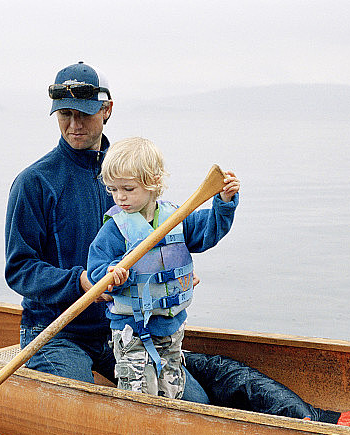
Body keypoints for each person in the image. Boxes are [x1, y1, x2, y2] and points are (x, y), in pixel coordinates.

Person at [4, 62, 209, 403]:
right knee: (81, 405)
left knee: (195, 404)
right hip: (55, 331)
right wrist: (81, 282)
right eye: (64, 114)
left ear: (107, 109)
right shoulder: (34, 183)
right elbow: (19, 270)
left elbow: (155, 235)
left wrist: (166, 268)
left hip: (124, 325)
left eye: (83, 114)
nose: (73, 125)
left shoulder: (127, 178)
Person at [87, 137, 239, 398]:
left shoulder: (176, 218)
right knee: (138, 395)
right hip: (131, 332)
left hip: (172, 329)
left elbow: (209, 231)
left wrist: (223, 203)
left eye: (128, 188)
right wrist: (112, 274)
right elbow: (96, 268)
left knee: (172, 392)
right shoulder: (115, 228)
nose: (119, 196)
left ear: (153, 183)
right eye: (113, 189)